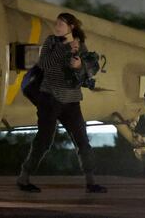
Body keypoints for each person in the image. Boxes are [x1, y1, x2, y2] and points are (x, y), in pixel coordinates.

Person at [17, 13, 107, 194]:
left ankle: (91, 182)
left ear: (71, 27)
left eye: (61, 23)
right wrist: (66, 49)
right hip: (49, 98)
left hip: (72, 101)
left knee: (82, 141)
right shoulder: (51, 41)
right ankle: (24, 178)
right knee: (44, 141)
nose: (57, 26)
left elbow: (85, 72)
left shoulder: (80, 45)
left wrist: (79, 65)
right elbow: (44, 64)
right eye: (56, 22)